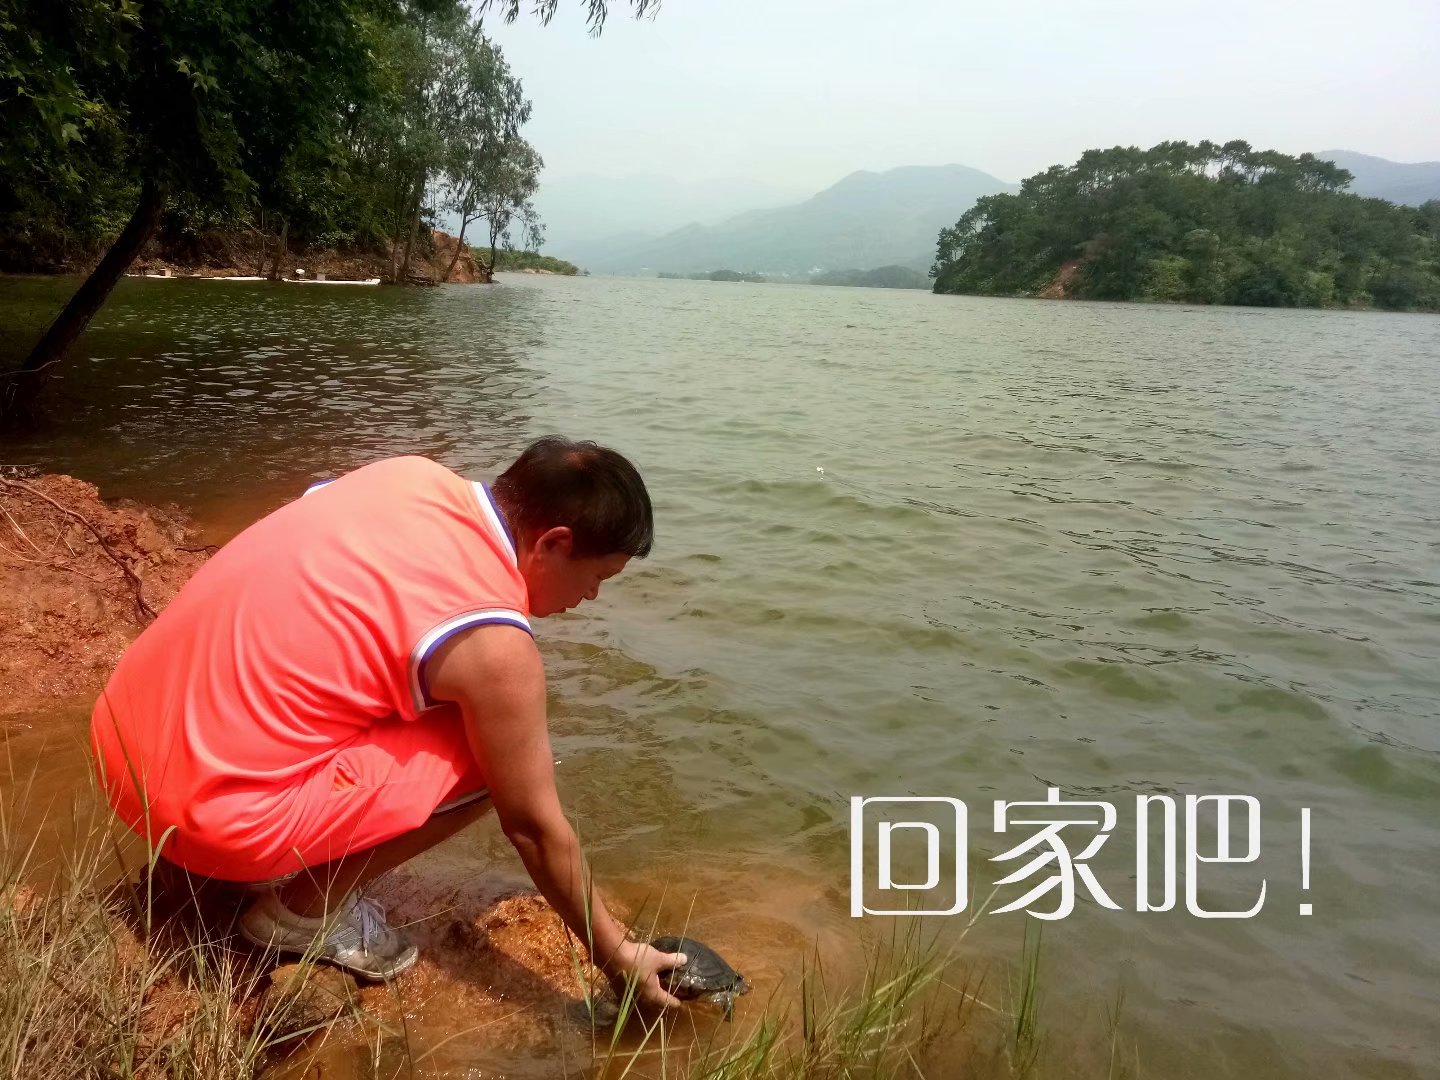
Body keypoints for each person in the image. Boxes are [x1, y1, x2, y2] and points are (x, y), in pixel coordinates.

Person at [90, 438, 686, 1005]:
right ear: (553, 543)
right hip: (210, 822)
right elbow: (533, 827)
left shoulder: (408, 475)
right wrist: (618, 956)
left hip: (120, 748)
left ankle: (228, 856)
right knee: (496, 756)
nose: (591, 597)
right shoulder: (496, 644)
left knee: (410, 685)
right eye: (598, 577)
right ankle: (302, 910)